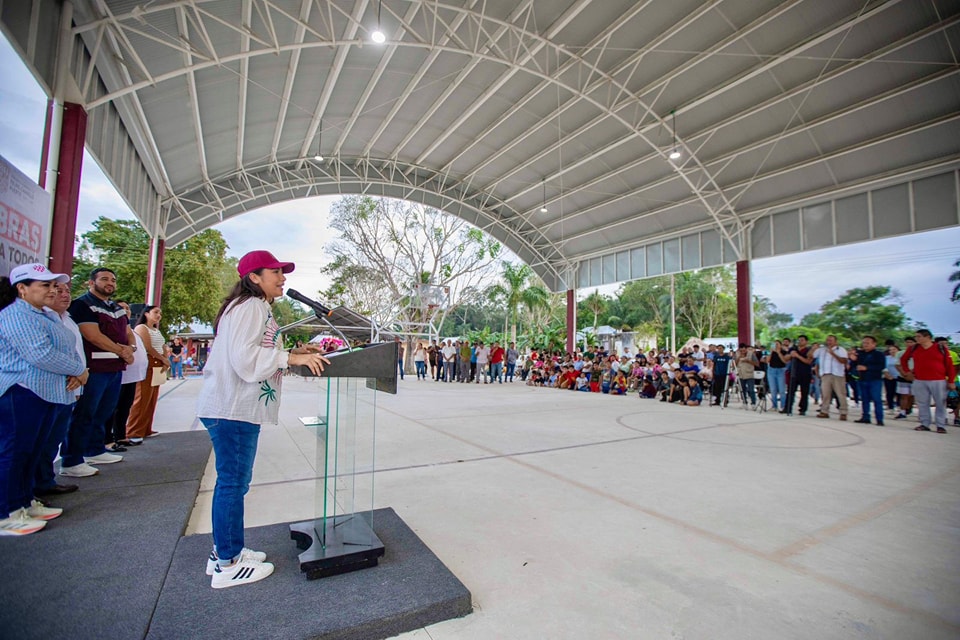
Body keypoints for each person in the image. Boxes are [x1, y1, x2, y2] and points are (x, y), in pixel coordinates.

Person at [197, 250, 329, 588]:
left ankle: (226, 551)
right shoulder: (251, 307)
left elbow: (256, 352)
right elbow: (246, 358)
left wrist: (295, 355)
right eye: (276, 272)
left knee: (233, 483)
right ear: (254, 277)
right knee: (232, 483)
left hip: (233, 408)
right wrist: (290, 358)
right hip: (232, 409)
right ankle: (228, 563)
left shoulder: (252, 307)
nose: (283, 278)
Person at [0, 264, 87, 536]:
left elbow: (68, 348)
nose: (52, 290)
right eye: (44, 285)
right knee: (14, 453)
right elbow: (41, 355)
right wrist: (78, 371)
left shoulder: (45, 315)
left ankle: (24, 501)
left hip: (46, 393)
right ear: (22, 289)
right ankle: (6, 512)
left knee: (33, 452)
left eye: (53, 285)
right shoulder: (15, 315)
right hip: (22, 392)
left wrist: (77, 371)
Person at [60, 268, 135, 477]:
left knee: (104, 411)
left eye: (113, 279)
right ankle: (72, 459)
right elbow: (93, 336)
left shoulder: (115, 307)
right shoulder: (82, 305)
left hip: (115, 368)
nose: (109, 283)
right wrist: (121, 350)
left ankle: (95, 449)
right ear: (91, 283)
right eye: (104, 279)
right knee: (85, 413)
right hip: (95, 369)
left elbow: (128, 333)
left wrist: (131, 349)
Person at [125, 305, 170, 443]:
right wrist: (162, 358)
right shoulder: (141, 328)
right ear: (146, 314)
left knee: (152, 398)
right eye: (156, 312)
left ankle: (146, 428)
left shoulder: (156, 330)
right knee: (142, 398)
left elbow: (161, 346)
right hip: (149, 362)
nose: (158, 315)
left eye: (160, 313)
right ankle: (133, 431)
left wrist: (165, 359)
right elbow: (148, 347)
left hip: (159, 364)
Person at [106, 301, 148, 450]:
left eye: (127, 308)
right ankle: (107, 439)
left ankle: (121, 436)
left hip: (133, 375)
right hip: (120, 373)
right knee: (112, 407)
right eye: (121, 308)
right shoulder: (113, 328)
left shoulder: (131, 329)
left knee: (125, 406)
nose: (126, 311)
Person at [901, 329, 957, 434]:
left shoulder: (940, 348)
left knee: (940, 403)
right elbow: (904, 359)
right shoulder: (913, 348)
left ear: (927, 337)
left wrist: (951, 381)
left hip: (938, 380)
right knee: (922, 403)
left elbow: (949, 366)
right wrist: (907, 372)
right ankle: (924, 423)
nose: (916, 339)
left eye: (919, 336)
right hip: (920, 380)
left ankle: (940, 425)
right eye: (916, 337)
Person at [814, 335, 848, 421]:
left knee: (840, 394)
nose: (829, 342)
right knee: (825, 394)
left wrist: (833, 354)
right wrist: (814, 348)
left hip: (838, 375)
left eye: (831, 340)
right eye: (827, 340)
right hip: (825, 374)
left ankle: (843, 412)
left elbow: (843, 361)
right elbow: (812, 356)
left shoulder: (841, 350)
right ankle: (824, 411)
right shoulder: (822, 350)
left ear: (836, 342)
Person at [854, 336, 887, 426]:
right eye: (864, 343)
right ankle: (865, 417)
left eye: (868, 343)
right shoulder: (860, 354)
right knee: (865, 399)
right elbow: (855, 364)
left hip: (875, 379)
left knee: (877, 399)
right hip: (862, 379)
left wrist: (867, 368)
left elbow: (881, 366)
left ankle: (879, 419)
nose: (865, 345)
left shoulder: (878, 354)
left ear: (874, 344)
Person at [783, 335, 813, 416]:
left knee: (804, 392)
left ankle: (802, 409)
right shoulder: (793, 349)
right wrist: (790, 355)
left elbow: (808, 361)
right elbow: (785, 358)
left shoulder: (809, 350)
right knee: (790, 391)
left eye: (802, 340)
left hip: (805, 373)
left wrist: (798, 356)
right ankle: (787, 407)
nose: (800, 342)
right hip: (793, 373)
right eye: (799, 340)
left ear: (806, 341)